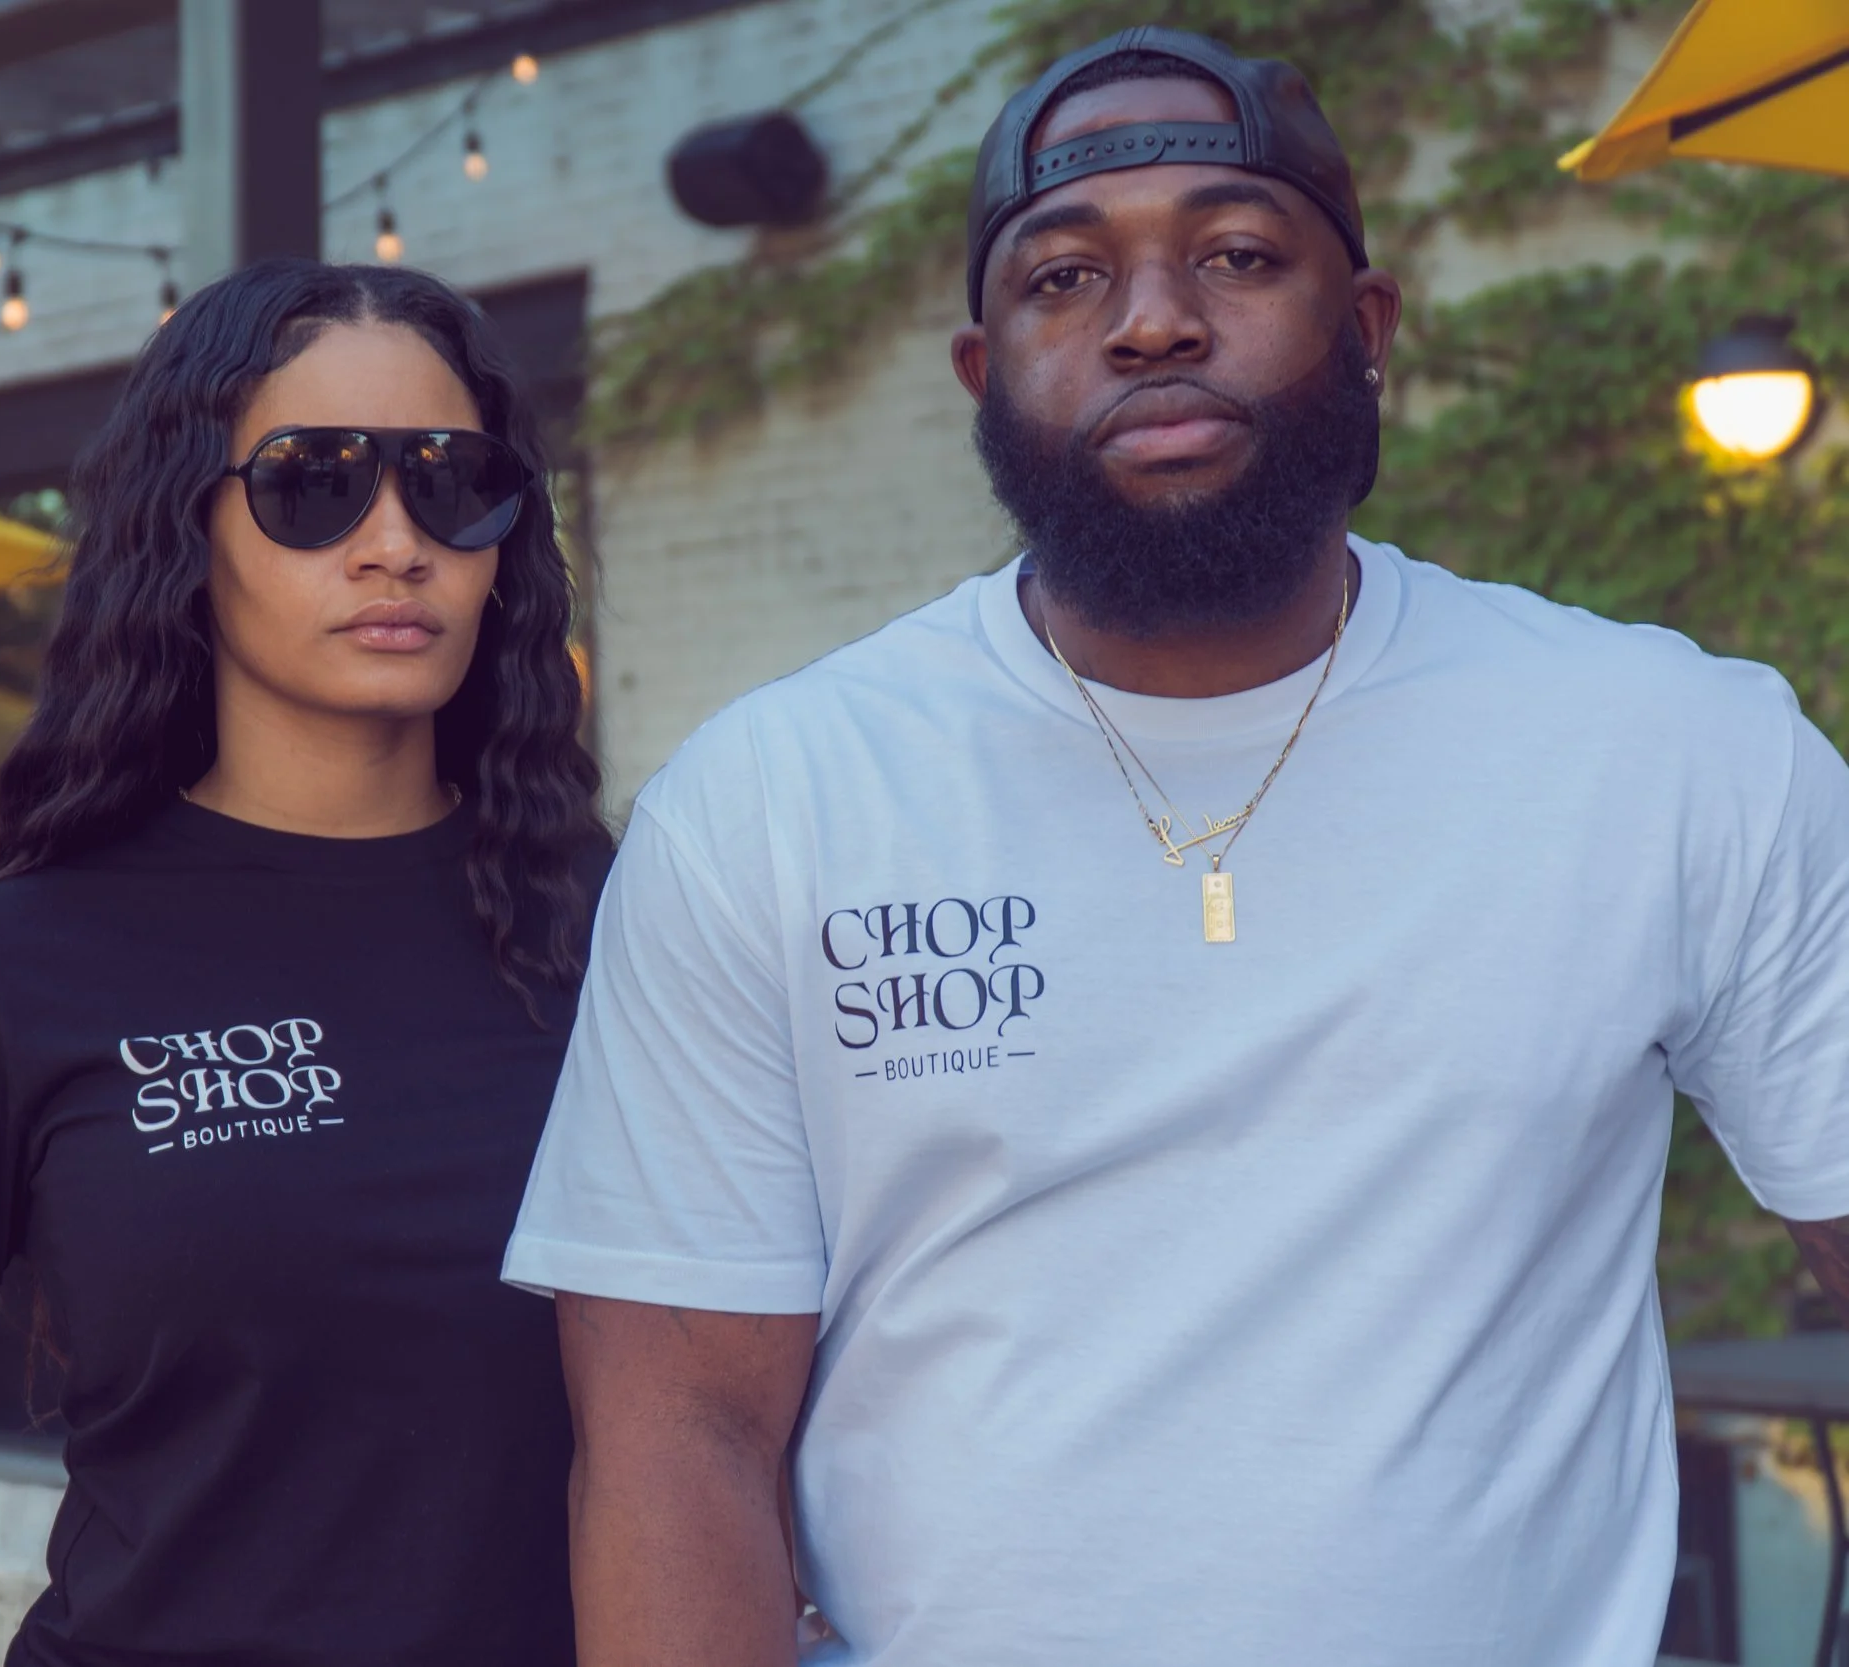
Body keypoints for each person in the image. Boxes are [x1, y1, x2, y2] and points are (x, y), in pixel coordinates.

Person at [505, 26, 1849, 1667]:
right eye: (1064, 278)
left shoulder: (1674, 748)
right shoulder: (776, 799)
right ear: (981, 376)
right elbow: (678, 1434)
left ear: (1365, 330)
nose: (1153, 319)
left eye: (1235, 253)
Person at [0, 258, 606, 1667]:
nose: (397, 541)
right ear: (185, 526)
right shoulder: (8, 967)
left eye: (453, 480)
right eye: (314, 483)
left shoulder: (625, 929)